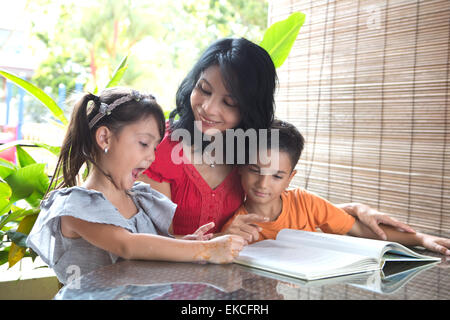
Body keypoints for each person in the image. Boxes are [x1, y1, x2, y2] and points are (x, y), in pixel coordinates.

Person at [140, 37, 415, 239]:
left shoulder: (249, 152)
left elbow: (276, 208)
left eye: (230, 102)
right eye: (204, 90)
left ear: (250, 110)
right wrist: (221, 239)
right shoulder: (160, 148)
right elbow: (149, 243)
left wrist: (351, 210)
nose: (209, 109)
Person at [26, 87, 245, 285]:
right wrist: (205, 250)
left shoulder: (138, 198)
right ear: (104, 138)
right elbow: (127, 245)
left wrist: (185, 242)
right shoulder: (77, 206)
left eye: (155, 147)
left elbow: (150, 244)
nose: (151, 156)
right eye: (143, 144)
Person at [221, 119, 450, 256]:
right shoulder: (235, 224)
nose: (263, 184)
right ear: (240, 167)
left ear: (290, 178)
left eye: (277, 176)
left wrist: (420, 239)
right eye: (254, 170)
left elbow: (360, 230)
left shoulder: (306, 203)